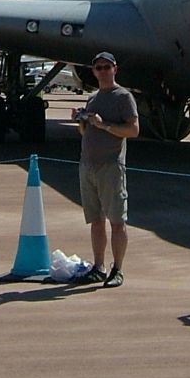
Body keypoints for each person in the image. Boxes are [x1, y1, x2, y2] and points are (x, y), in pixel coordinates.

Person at [71, 52, 139, 287]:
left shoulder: (123, 96)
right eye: (98, 68)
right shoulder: (93, 98)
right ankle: (98, 266)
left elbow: (133, 130)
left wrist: (104, 125)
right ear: (93, 72)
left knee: (117, 221)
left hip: (110, 166)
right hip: (87, 166)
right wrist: (82, 120)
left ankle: (117, 269)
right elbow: (85, 133)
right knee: (96, 220)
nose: (102, 71)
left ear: (115, 69)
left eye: (106, 67)